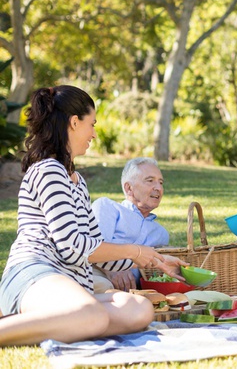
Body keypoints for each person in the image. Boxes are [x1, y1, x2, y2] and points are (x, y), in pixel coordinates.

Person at [0, 85, 187, 347]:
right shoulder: (49, 171)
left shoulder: (78, 181)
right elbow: (73, 246)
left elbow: (98, 251)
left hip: (72, 284)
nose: (95, 133)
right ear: (74, 123)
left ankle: (56, 320)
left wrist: (154, 260)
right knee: (93, 316)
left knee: (139, 309)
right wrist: (135, 251)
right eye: (92, 124)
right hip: (36, 273)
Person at [92, 157, 169, 292]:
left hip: (133, 290)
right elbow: (93, 247)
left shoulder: (161, 234)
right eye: (150, 181)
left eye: (161, 182)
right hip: (97, 274)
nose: (158, 188)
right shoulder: (107, 207)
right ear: (129, 188)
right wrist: (112, 269)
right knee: (104, 287)